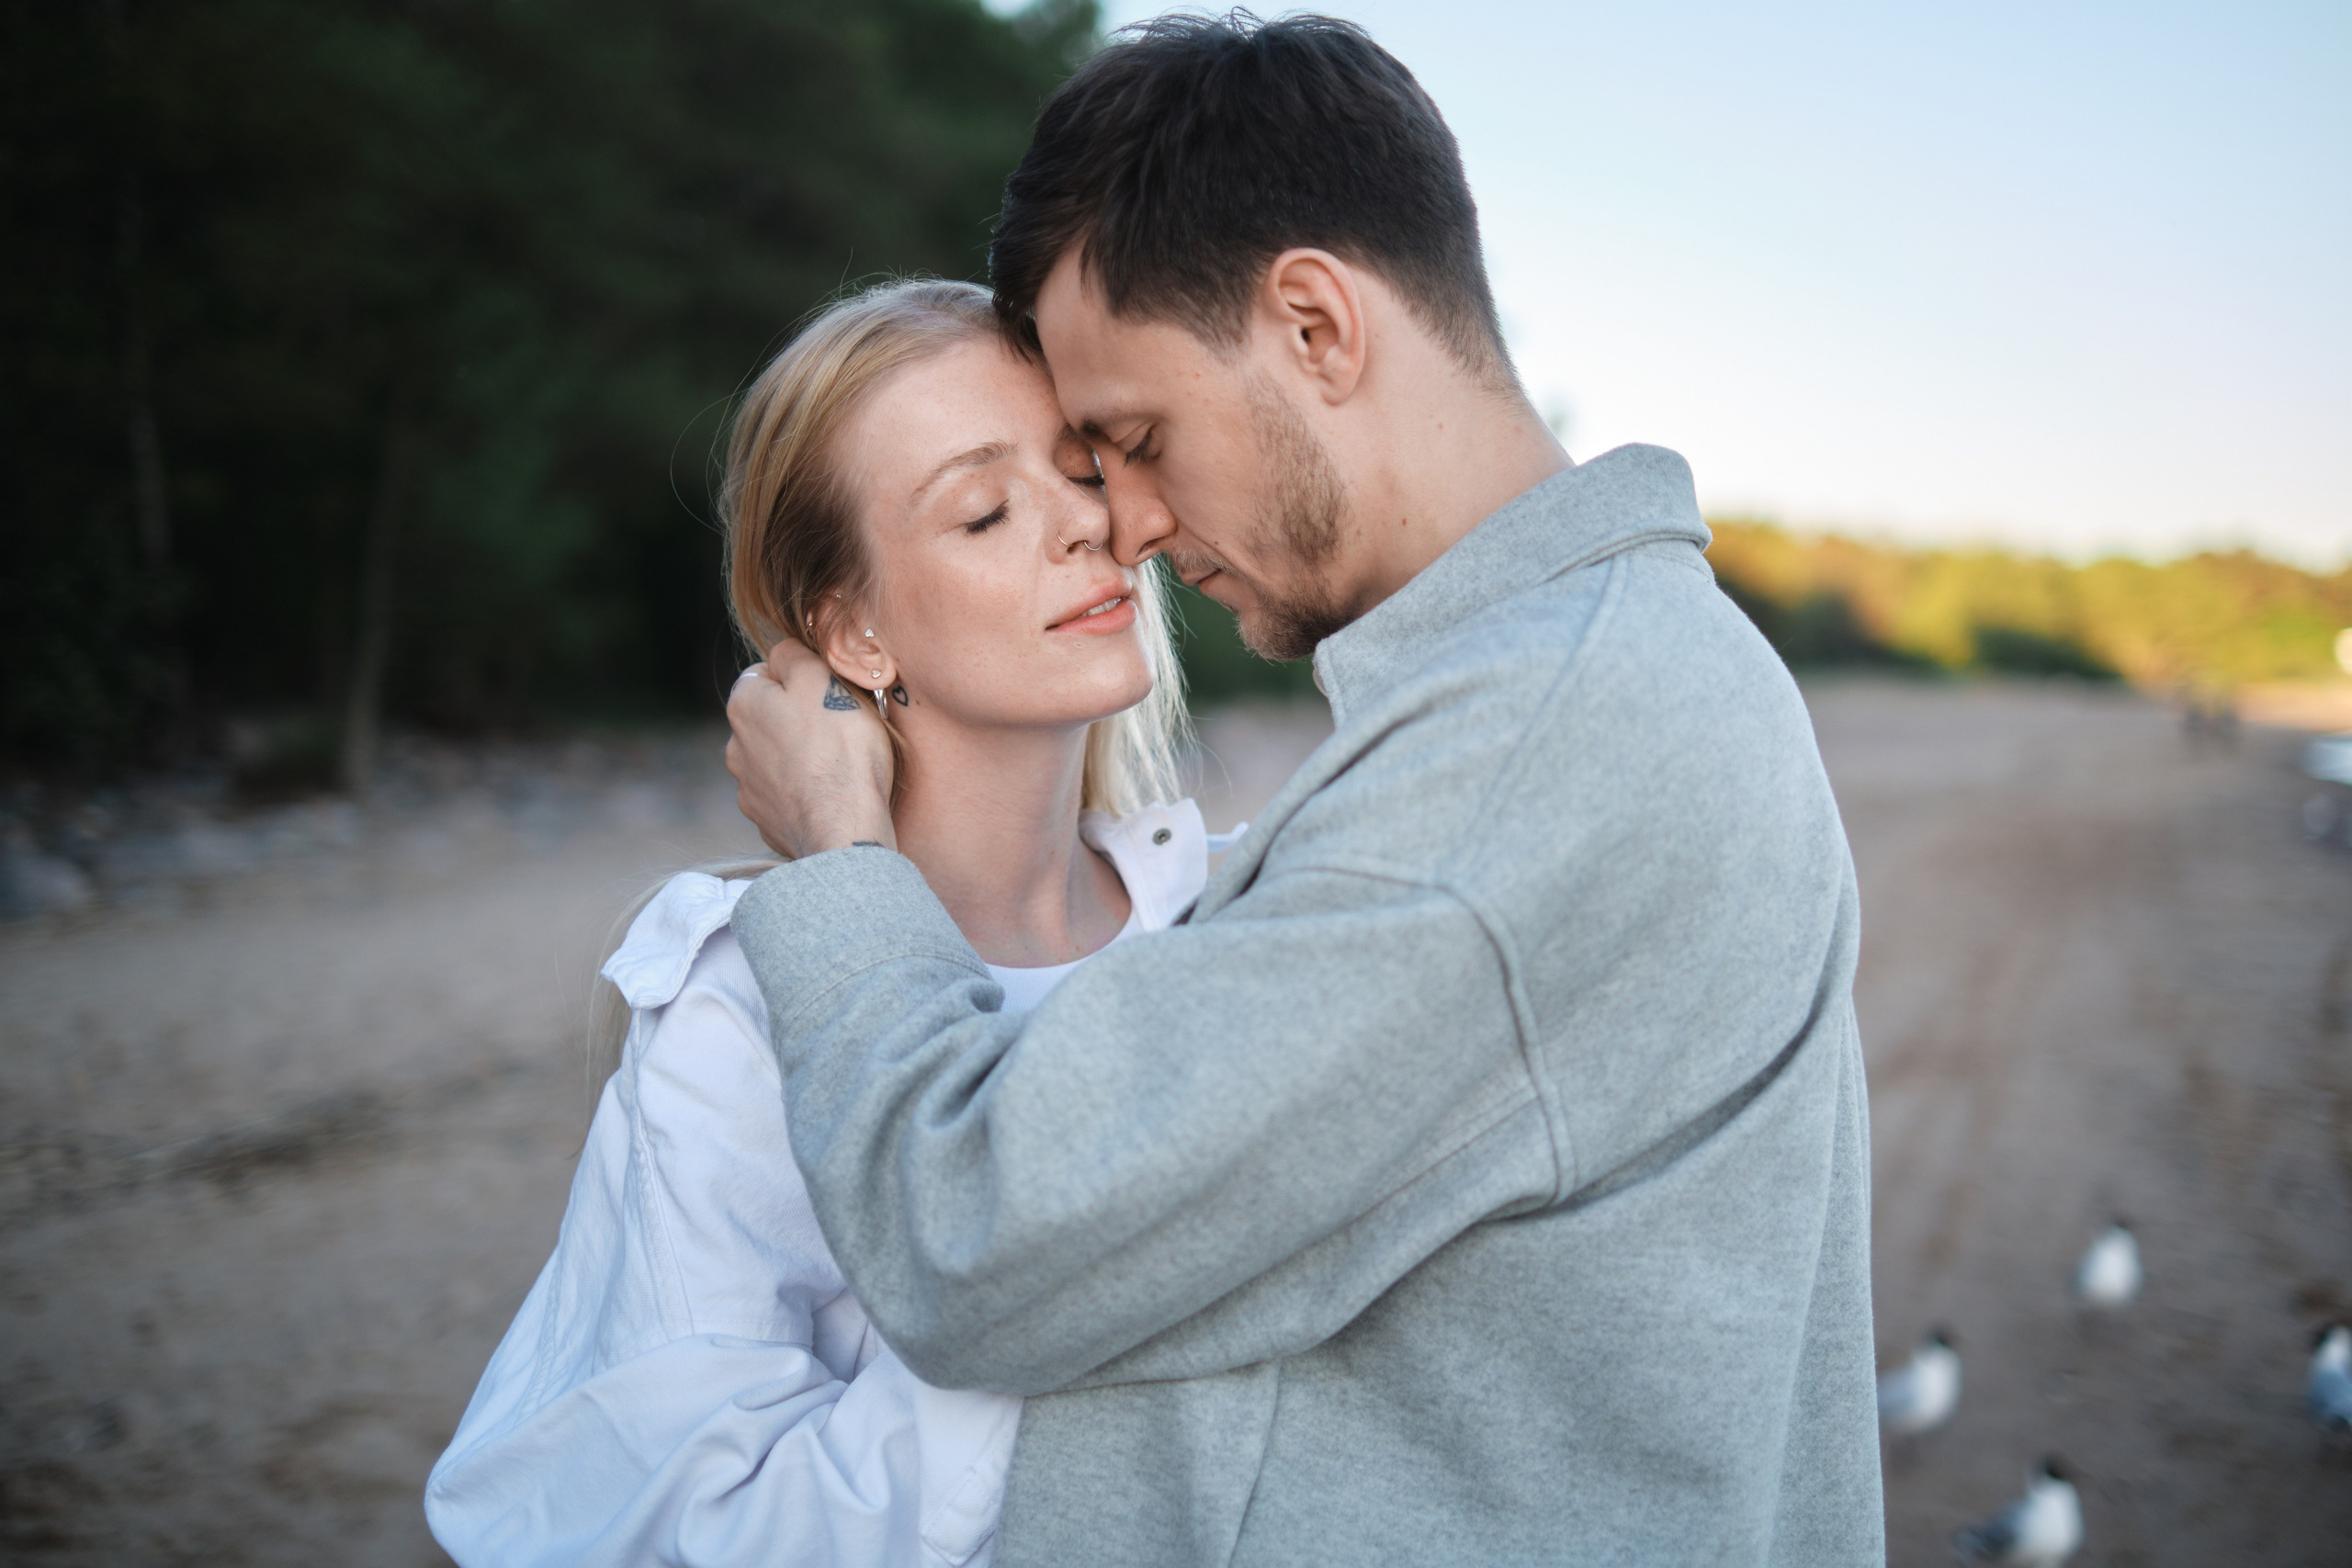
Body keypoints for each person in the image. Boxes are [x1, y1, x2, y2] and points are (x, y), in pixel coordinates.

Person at [722, 14, 1883, 1568]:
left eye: (1133, 440)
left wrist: (835, 870)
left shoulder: (1526, 762)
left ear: (1318, 328)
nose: (1124, 524)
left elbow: (970, 1243)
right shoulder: (1600, 681)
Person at [424, 278, 1224, 1567]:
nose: (1084, 523)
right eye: (983, 509)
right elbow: (679, 1523)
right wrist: (1100, 1302)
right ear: (854, 630)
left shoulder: (1240, 912)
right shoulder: (742, 1012)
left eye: (1085, 468)